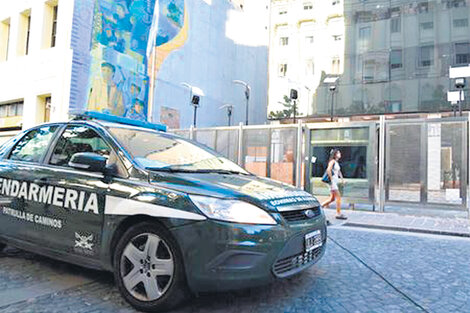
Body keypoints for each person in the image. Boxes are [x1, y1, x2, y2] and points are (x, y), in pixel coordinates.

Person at [321, 148, 347, 220]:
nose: (340, 154)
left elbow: (339, 172)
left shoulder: (336, 162)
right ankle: (338, 213)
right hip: (332, 183)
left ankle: (320, 207)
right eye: (338, 153)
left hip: (334, 182)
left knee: (332, 199)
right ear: (335, 154)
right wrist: (331, 180)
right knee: (338, 197)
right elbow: (328, 170)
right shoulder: (332, 161)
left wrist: (342, 180)